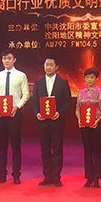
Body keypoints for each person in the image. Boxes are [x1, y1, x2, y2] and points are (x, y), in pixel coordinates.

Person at [31, 57, 72, 187]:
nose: (48, 67)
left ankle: (56, 177)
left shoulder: (63, 82)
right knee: (45, 150)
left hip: (57, 121)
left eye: (51, 65)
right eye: (46, 65)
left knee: (57, 149)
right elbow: (34, 101)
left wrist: (59, 113)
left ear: (56, 67)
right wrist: (37, 113)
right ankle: (47, 176)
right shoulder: (38, 82)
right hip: (42, 122)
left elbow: (68, 101)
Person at [0, 50, 30, 185]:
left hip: (15, 114)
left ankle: (16, 175)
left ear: (14, 60)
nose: (6, 61)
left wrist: (17, 107)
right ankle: (1, 175)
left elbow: (26, 94)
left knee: (15, 145)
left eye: (9, 58)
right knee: (2, 146)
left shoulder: (21, 76)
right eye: (4, 58)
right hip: (1, 114)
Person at [75, 67, 101, 188]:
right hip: (84, 125)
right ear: (84, 79)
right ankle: (89, 178)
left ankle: (97, 178)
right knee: (87, 151)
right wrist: (79, 119)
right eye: (87, 77)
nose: (89, 79)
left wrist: (98, 120)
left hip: (97, 125)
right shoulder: (81, 93)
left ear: (96, 78)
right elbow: (77, 109)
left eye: (92, 77)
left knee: (97, 150)